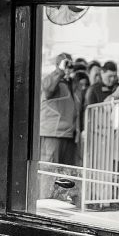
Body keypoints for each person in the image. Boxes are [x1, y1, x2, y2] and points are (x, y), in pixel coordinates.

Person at [38, 56, 83, 203]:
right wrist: (60, 71)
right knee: (50, 170)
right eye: (66, 64)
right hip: (53, 133)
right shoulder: (54, 80)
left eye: (70, 64)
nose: (69, 67)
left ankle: (60, 200)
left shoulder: (71, 84)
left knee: (65, 172)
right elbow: (47, 88)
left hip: (68, 134)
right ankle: (46, 200)